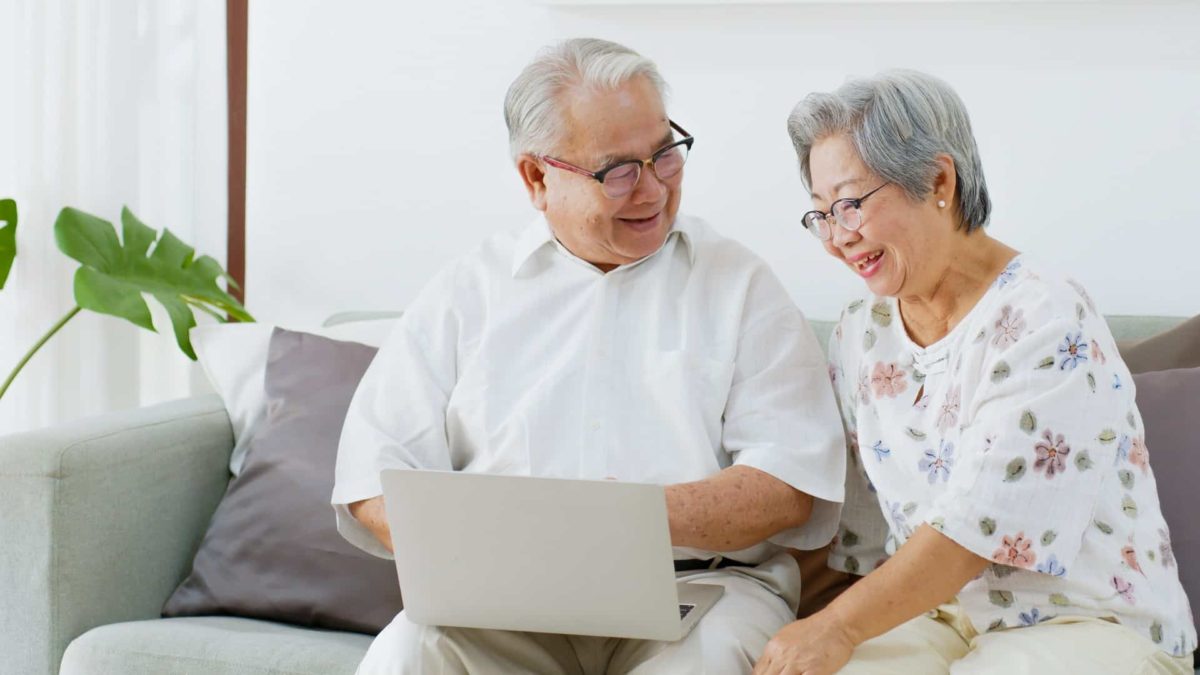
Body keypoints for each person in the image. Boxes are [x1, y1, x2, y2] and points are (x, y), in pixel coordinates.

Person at [331, 38, 848, 674]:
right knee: (403, 656)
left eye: (665, 154)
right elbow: (370, 479)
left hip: (701, 595)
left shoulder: (739, 285)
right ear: (537, 177)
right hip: (504, 606)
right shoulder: (469, 291)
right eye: (618, 171)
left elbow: (788, 487)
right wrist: (491, 547)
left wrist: (614, 524)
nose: (653, 189)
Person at [754, 69, 1196, 675]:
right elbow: (852, 524)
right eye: (822, 214)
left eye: (852, 204)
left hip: (1090, 621)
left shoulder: (1044, 313)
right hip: (944, 617)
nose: (838, 237)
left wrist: (834, 627)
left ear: (939, 180)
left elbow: (976, 527)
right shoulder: (862, 329)